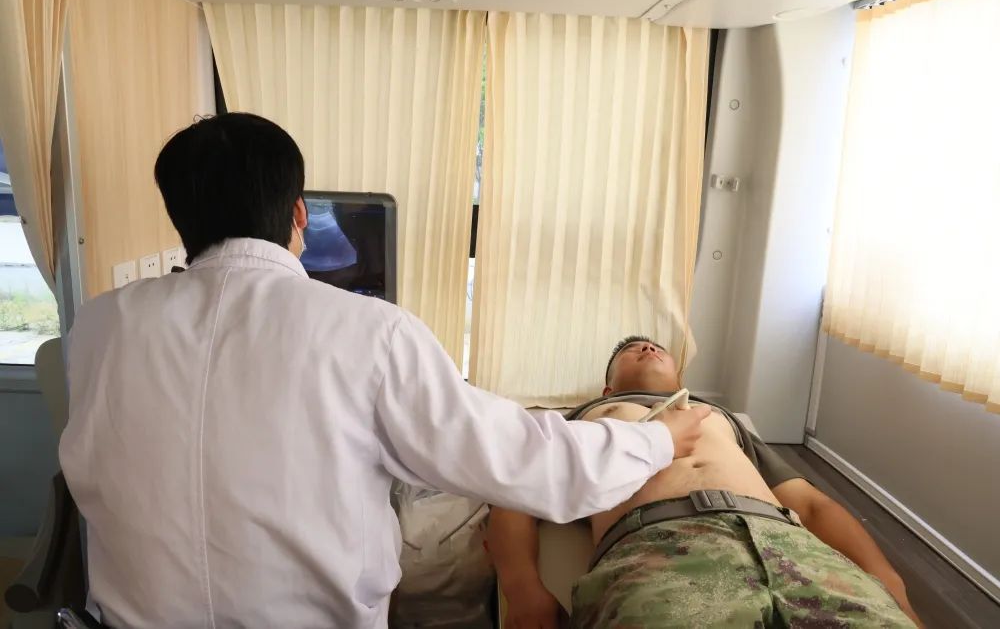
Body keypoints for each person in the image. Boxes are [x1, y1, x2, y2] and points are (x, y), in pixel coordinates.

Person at [57, 114, 711, 629]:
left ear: (180, 217)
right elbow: (526, 463)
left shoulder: (100, 325)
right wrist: (657, 439)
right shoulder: (371, 331)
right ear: (299, 214)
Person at [488, 336, 921, 628]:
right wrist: (523, 590)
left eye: (655, 346)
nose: (646, 347)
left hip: (791, 544)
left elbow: (809, 504)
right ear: (607, 390)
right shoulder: (583, 419)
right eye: (632, 351)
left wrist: (885, 578)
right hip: (660, 549)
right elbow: (514, 494)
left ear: (681, 381)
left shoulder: (722, 419)